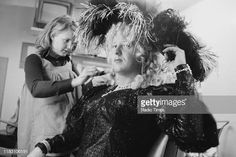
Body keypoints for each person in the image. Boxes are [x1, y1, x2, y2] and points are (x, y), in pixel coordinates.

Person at [27, 2, 219, 157]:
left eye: (126, 45)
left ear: (141, 53)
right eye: (113, 44)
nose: (116, 50)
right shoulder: (97, 92)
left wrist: (182, 70)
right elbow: (73, 135)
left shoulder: (145, 98)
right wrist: (44, 146)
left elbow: (192, 136)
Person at [17, 15, 106, 155]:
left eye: (74, 43)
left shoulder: (69, 62)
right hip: (42, 132)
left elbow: (77, 91)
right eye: (66, 41)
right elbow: (36, 89)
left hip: (64, 131)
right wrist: (76, 81)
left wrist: (95, 81)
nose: (70, 47)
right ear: (52, 35)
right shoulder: (34, 60)